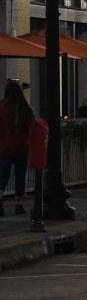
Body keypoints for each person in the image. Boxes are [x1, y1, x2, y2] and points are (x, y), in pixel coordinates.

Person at [0, 80, 32, 215]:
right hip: (21, 147)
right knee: (20, 178)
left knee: (2, 178)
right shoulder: (24, 107)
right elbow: (31, 126)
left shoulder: (1, 107)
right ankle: (19, 206)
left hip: (4, 148)